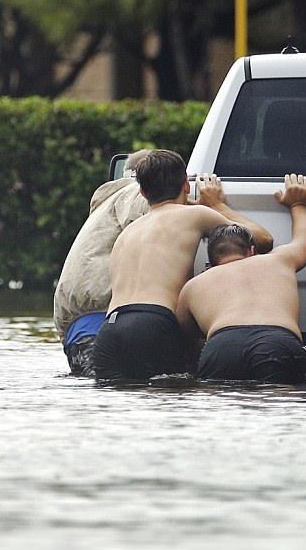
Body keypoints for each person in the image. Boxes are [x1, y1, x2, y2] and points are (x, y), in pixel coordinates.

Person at [92, 149, 273, 381]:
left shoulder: (129, 231)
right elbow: (263, 240)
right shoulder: (196, 215)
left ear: (143, 192)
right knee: (174, 400)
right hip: (154, 323)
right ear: (186, 186)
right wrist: (217, 205)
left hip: (110, 329)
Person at [175, 174, 306, 383]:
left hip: (222, 347)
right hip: (275, 342)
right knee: (282, 409)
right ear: (251, 250)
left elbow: (186, 333)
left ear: (211, 261)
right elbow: (305, 240)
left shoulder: (193, 286)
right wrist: (298, 203)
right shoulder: (279, 260)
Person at [53, 149, 152, 376]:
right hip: (105, 322)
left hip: (77, 330)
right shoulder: (135, 194)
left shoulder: (107, 201)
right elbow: (149, 220)